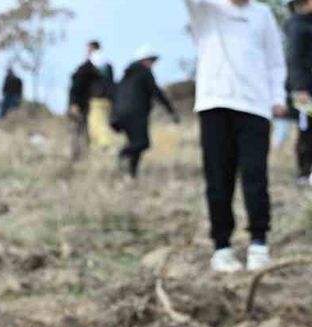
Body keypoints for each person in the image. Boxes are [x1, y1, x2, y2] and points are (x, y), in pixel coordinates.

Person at [185, 0, 288, 272]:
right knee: (219, 179)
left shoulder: (262, 14)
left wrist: (277, 96)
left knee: (255, 176)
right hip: (214, 104)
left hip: (255, 106)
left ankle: (259, 243)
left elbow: (275, 61)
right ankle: (222, 247)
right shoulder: (205, 10)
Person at [112, 46, 180, 178]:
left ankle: (132, 173)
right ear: (143, 60)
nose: (152, 64)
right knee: (142, 143)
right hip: (135, 114)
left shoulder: (126, 75)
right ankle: (123, 154)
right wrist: (171, 111)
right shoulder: (144, 73)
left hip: (120, 114)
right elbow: (156, 92)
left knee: (135, 142)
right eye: (151, 60)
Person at [286, 0, 312, 185]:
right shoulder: (297, 26)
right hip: (303, 90)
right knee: (306, 128)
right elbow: (294, 60)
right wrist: (300, 88)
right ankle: (305, 172)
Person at [68, 42, 104, 160]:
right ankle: (76, 157)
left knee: (83, 132)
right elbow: (75, 87)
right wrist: (74, 103)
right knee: (77, 132)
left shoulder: (92, 69)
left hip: (86, 105)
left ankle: (82, 157)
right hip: (79, 105)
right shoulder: (85, 69)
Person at [86, 42, 118, 150]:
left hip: (96, 97)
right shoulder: (107, 63)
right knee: (104, 121)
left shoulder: (92, 62)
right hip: (108, 98)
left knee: (96, 123)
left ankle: (103, 145)